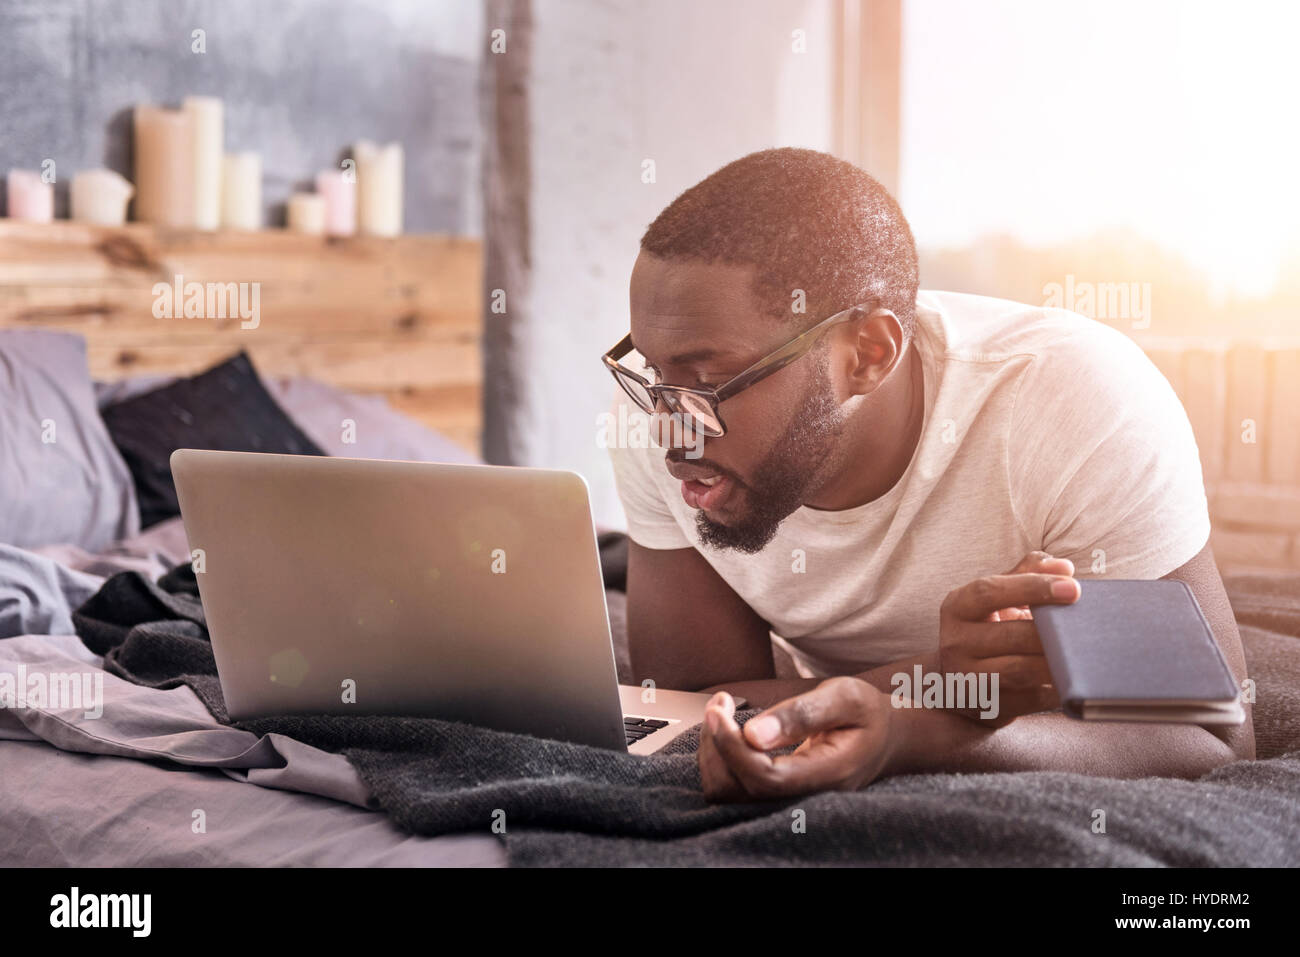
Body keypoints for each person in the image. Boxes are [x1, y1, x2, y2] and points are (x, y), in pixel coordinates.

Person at [602, 147, 1253, 802]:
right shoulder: (668, 414)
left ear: (869, 354)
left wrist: (920, 731)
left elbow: (1210, 736)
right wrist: (937, 681)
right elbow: (693, 710)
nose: (668, 430)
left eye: (710, 382)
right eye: (654, 375)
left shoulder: (1077, 402)